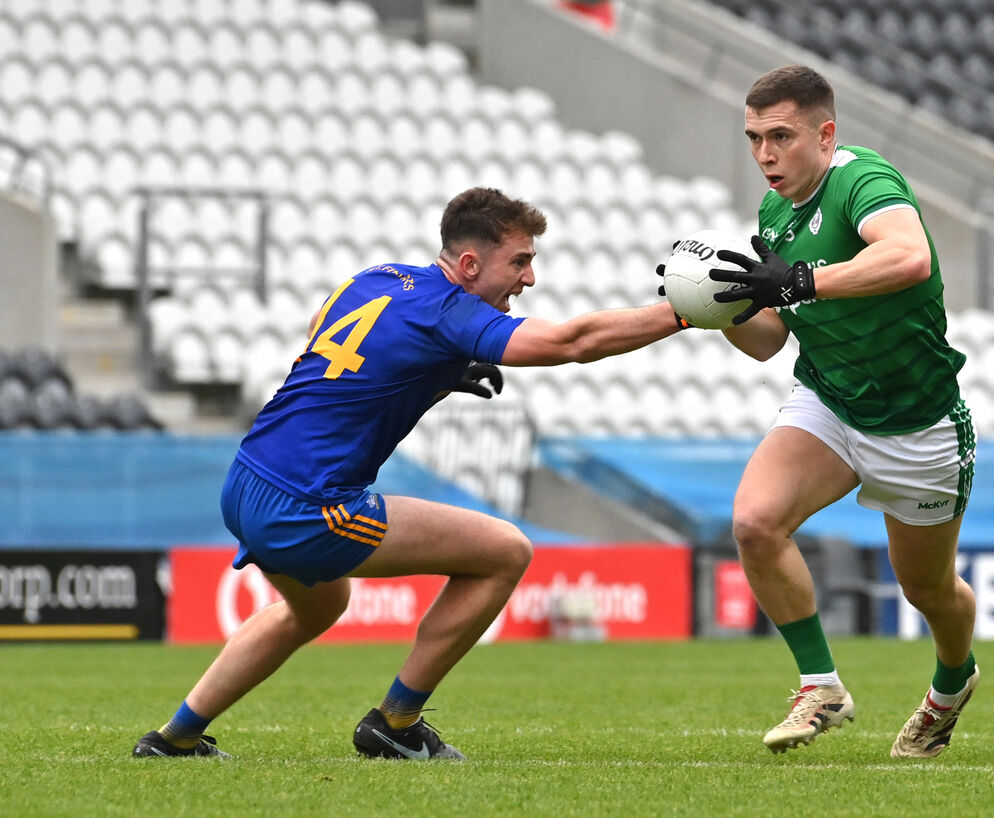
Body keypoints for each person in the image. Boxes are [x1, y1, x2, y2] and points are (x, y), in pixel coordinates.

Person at [133, 187, 686, 761]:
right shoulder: (450, 313)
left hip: (247, 481)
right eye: (520, 261)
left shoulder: (377, 277)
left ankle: (175, 737)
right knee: (505, 551)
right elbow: (573, 342)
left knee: (317, 607)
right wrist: (685, 311)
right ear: (469, 265)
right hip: (309, 507)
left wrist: (431, 370)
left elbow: (325, 335)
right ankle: (395, 724)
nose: (529, 278)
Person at [707, 65, 979, 758]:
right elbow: (768, 340)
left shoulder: (863, 181)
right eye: (754, 138)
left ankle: (952, 683)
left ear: (826, 136)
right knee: (755, 523)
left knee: (928, 590)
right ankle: (820, 685)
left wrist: (802, 280)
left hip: (917, 423)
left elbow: (909, 257)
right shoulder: (774, 214)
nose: (765, 154)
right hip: (829, 400)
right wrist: (714, 308)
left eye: (781, 136)